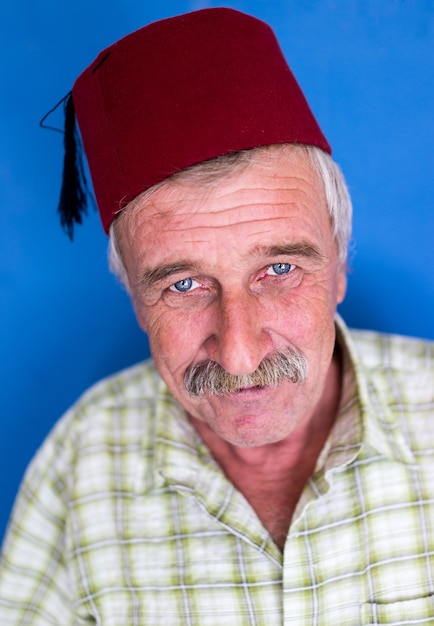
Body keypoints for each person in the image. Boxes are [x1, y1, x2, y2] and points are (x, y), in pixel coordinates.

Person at [1, 7, 433, 625]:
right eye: (183, 283)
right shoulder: (81, 461)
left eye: (279, 270)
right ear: (134, 299)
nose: (240, 355)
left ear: (340, 268)